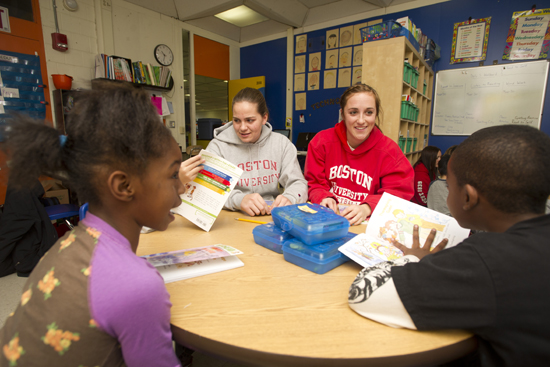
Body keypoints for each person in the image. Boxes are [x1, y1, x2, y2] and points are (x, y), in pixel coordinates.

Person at [0, 85, 185, 367]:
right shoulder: (139, 286)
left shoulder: (67, 244)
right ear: (123, 185)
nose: (182, 187)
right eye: (173, 174)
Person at [348, 125, 550, 367]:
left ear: (467, 198)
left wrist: (412, 258)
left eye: (449, 186)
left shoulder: (486, 260)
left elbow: (362, 294)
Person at [305, 84, 414, 226]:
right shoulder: (321, 142)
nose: (361, 120)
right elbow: (314, 184)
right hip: (329, 222)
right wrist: (323, 197)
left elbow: (398, 194)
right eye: (353, 112)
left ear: (376, 114)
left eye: (369, 112)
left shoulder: (390, 151)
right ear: (342, 114)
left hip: (366, 226)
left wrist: (367, 207)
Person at [206, 87, 308, 217]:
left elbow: (298, 183)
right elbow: (208, 189)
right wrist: (239, 200)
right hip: (231, 217)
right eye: (237, 120)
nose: (242, 128)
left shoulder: (281, 144)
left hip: (271, 216)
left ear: (264, 118)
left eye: (250, 120)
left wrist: (290, 197)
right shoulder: (218, 147)